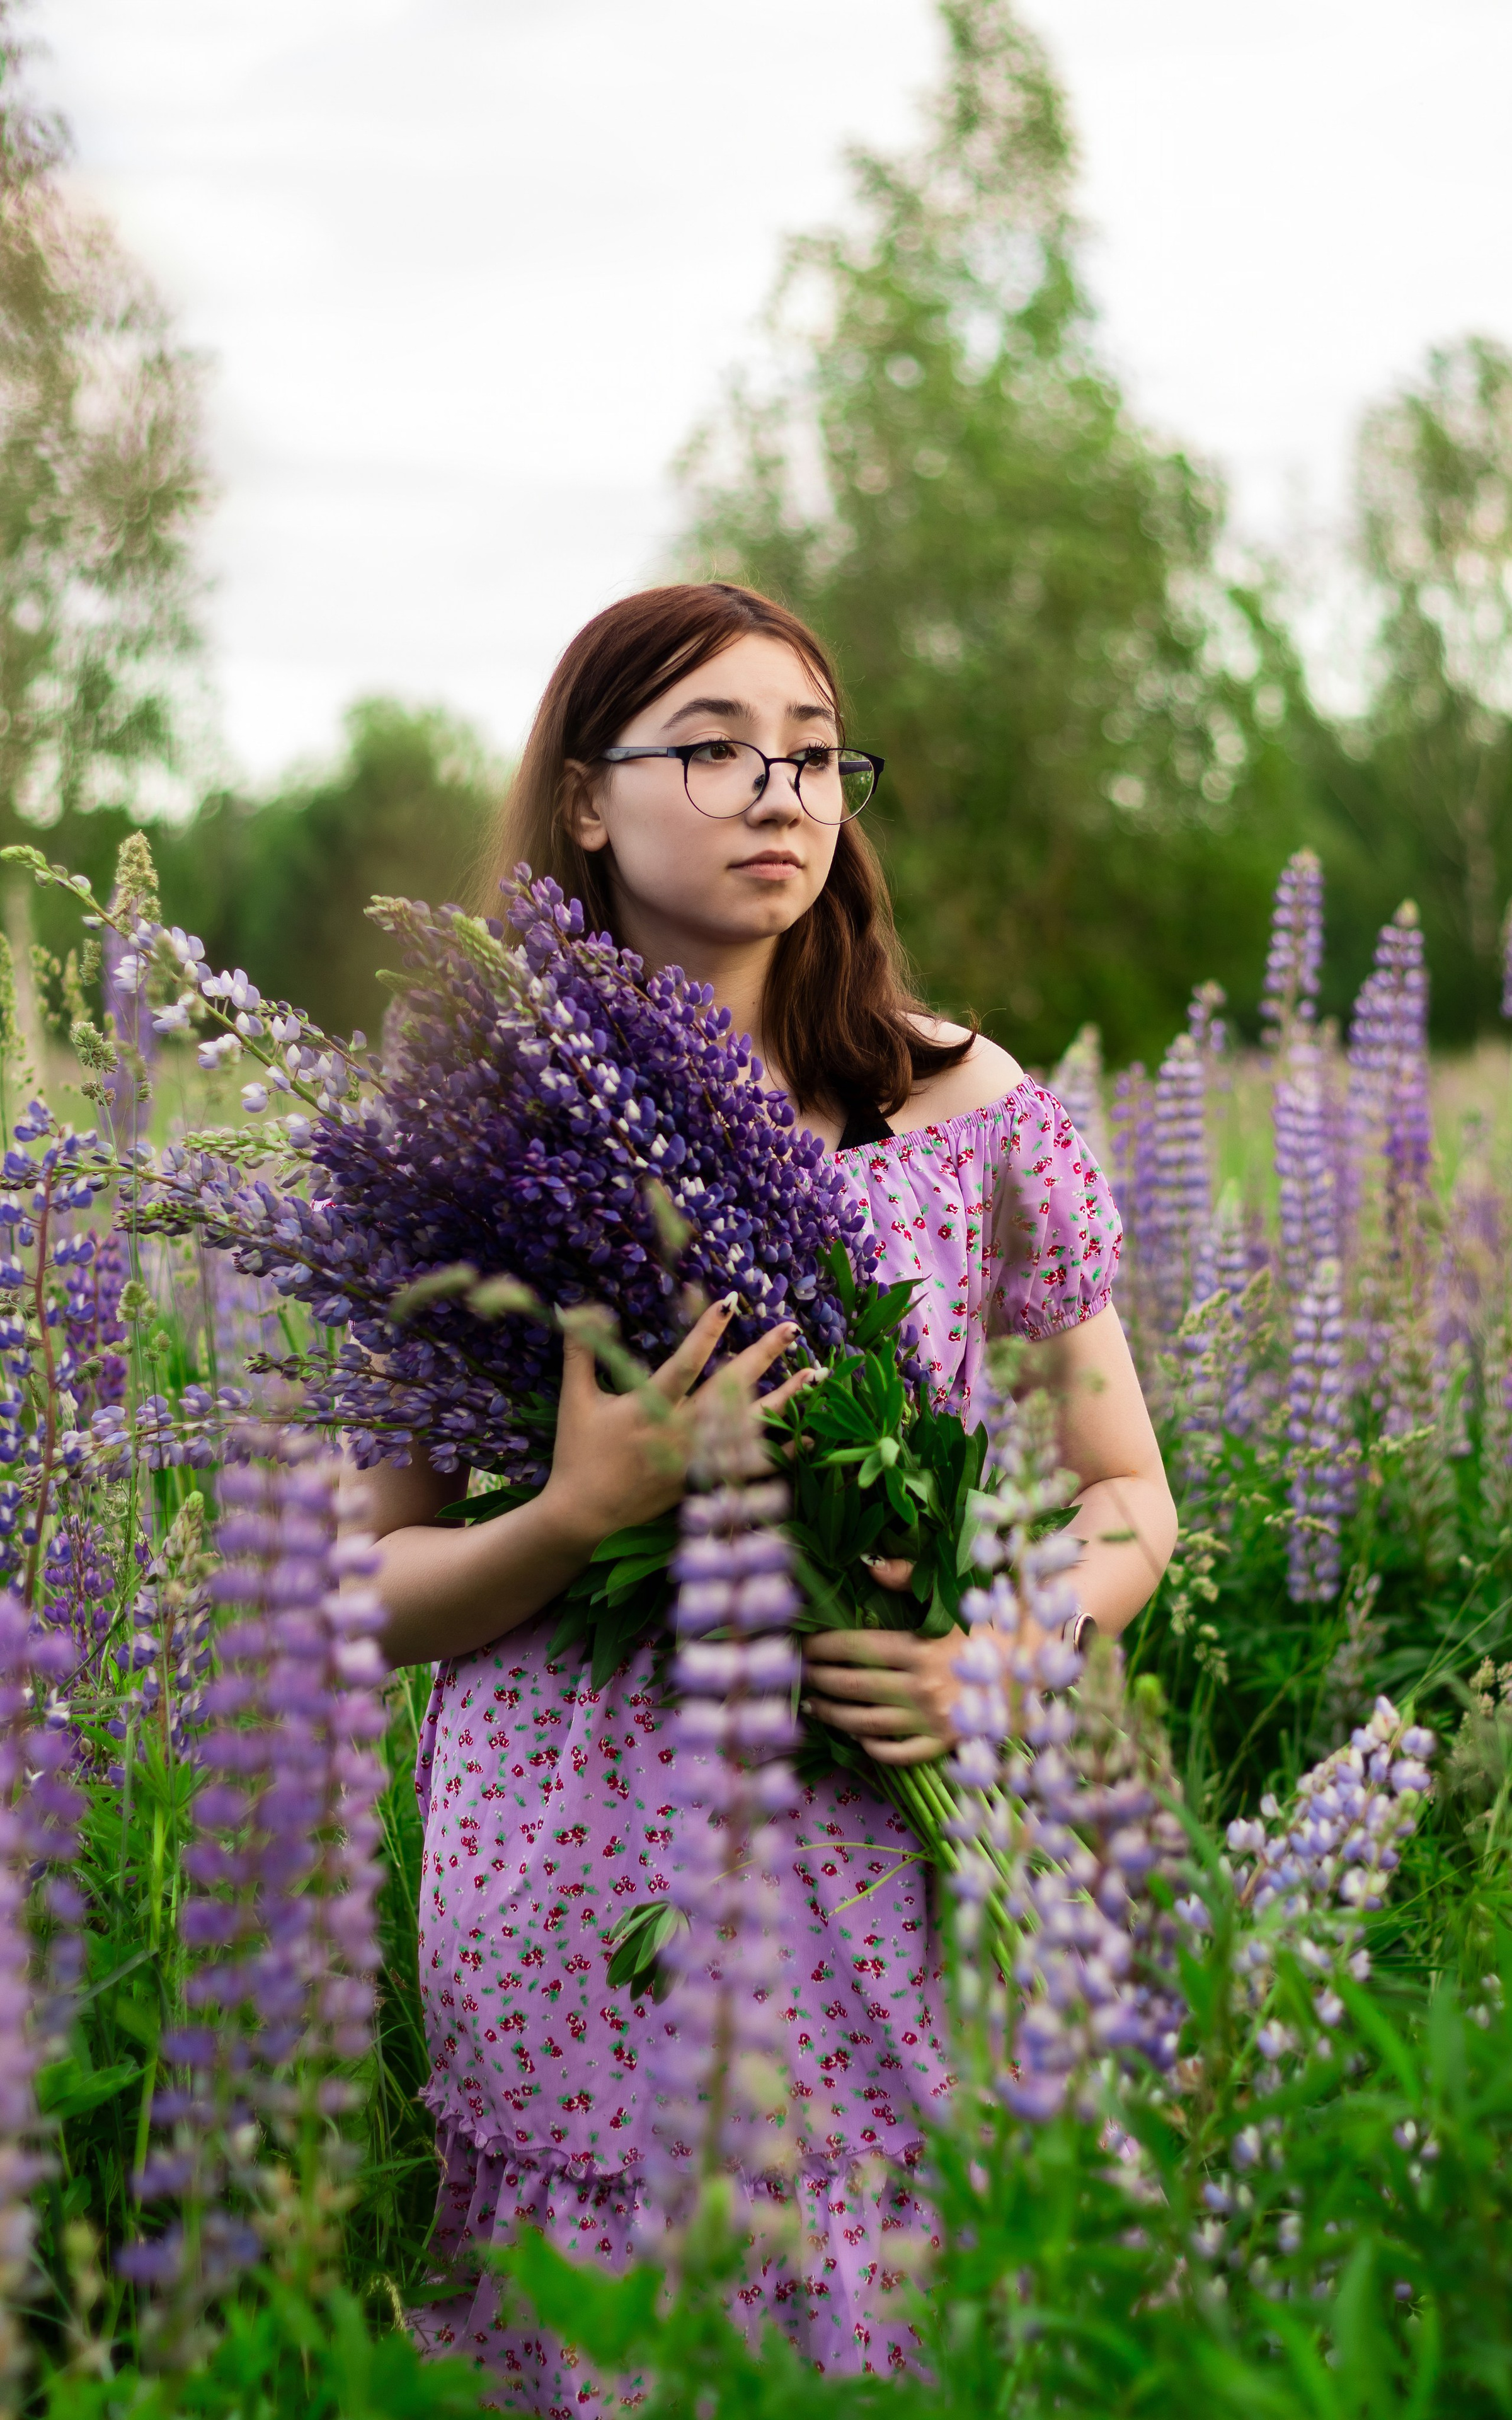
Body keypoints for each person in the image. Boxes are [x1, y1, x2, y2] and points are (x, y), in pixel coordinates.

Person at [369, 581, 1177, 2408]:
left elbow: (1128, 1493)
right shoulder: (477, 1135)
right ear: (585, 799)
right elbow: (362, 1594)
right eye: (716, 749)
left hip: (893, 1844)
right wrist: (573, 1513)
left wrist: (1006, 1660)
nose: (780, 795)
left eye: (815, 757)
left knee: (914, 2310)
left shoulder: (963, 1103)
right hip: (576, 1880)